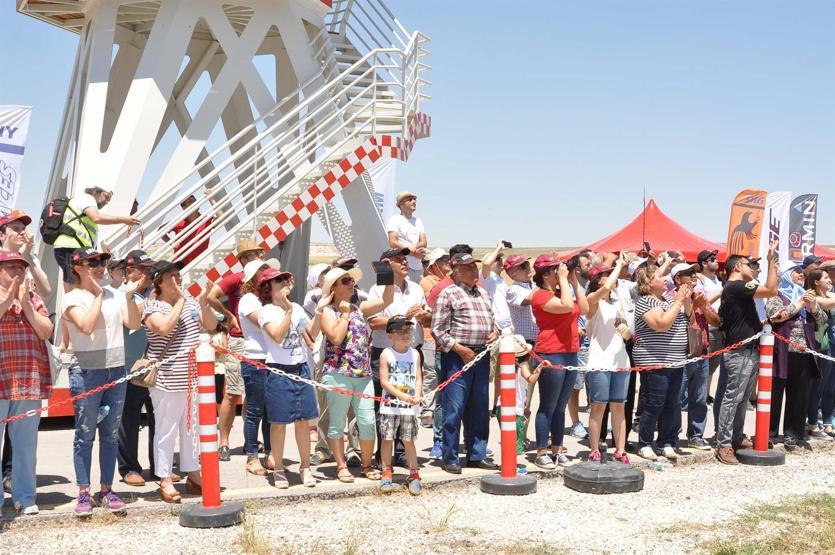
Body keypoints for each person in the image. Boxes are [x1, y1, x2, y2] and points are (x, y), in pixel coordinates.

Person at [62, 247, 141, 516]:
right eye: (92, 262)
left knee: (110, 435)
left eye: (102, 261)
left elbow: (134, 323)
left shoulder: (115, 295)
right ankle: (84, 492)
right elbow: (84, 326)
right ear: (77, 267)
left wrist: (128, 296)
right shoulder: (71, 297)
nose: (99, 266)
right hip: (85, 372)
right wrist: (98, 295)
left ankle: (107, 489)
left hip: (116, 370)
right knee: (85, 435)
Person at [143, 259, 217, 502]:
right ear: (159, 281)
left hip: (193, 377)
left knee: (191, 428)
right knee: (166, 429)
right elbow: (162, 328)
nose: (178, 279)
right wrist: (182, 301)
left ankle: (193, 473)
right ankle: (164, 477)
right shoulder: (151, 307)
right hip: (167, 378)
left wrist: (203, 304)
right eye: (172, 276)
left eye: (179, 274)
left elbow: (211, 325)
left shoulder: (192, 303)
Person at [317, 266, 393, 483]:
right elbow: (336, 338)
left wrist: (386, 276)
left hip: (363, 374)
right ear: (333, 288)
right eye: (346, 281)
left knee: (367, 421)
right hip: (337, 373)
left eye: (352, 281)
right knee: (337, 422)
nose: (352, 284)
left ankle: (367, 464)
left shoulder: (358, 307)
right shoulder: (327, 312)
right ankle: (341, 466)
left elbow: (386, 300)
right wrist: (345, 314)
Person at [432, 253, 498, 474]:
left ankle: (476, 454)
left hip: (481, 355)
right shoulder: (448, 294)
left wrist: (494, 332)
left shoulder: (483, 293)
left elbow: (492, 321)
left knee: (479, 407)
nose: (474, 271)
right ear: (457, 270)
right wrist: (460, 349)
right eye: (469, 268)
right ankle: (450, 456)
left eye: (474, 267)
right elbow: (438, 330)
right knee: (454, 407)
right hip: (457, 356)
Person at [714, 243, 779, 464]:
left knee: (742, 399)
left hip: (748, 349)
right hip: (739, 351)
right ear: (738, 266)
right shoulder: (736, 286)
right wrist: (772, 263)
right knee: (733, 399)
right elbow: (771, 289)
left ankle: (735, 437)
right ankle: (723, 444)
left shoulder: (737, 287)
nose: (753, 268)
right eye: (750, 265)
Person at [0, 251, 53, 515]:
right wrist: (9, 297)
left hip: (28, 383)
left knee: (26, 446)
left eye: (21, 268)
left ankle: (25, 497)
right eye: (11, 268)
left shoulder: (32, 297)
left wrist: (26, 304)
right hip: (1, 383)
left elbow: (46, 331)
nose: (17, 273)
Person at [257, 268, 318, 488]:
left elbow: (314, 331)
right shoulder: (266, 311)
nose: (284, 283)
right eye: (278, 280)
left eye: (285, 279)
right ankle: (279, 468)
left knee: (303, 421)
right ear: (268, 287)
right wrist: (289, 310)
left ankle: (305, 467)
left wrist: (321, 308)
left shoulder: (299, 308)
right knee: (279, 423)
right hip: (278, 370)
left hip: (300, 368)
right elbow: (278, 336)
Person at [206, 239, 266, 461]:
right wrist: (229, 315)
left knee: (254, 395)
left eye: (258, 254)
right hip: (239, 340)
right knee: (232, 393)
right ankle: (223, 442)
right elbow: (211, 296)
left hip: (261, 341)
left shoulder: (266, 279)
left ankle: (250, 441)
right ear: (242, 260)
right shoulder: (235, 279)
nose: (255, 258)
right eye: (250, 255)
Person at [529, 254, 587, 469]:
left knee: (561, 407)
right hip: (551, 353)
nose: (559, 272)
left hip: (570, 352)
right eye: (556, 270)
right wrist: (564, 280)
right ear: (546, 275)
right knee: (548, 405)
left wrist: (573, 281)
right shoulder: (540, 296)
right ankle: (542, 451)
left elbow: (584, 309)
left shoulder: (562, 291)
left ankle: (557, 448)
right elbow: (564, 307)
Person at [632, 264, 691, 462]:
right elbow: (661, 324)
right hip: (654, 360)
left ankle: (667, 441)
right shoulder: (645, 302)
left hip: (675, 360)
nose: (665, 278)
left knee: (673, 404)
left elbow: (686, 318)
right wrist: (679, 300)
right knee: (655, 402)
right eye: (659, 276)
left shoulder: (668, 299)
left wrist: (687, 299)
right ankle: (645, 443)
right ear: (648, 282)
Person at [766, 265, 827, 448]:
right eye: (797, 271)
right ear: (785, 274)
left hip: (803, 352)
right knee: (774, 394)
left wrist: (813, 305)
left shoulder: (806, 295)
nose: (801, 275)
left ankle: (794, 434)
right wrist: (800, 303)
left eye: (802, 272)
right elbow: (775, 316)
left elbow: (823, 320)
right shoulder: (775, 295)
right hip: (781, 351)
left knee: (799, 395)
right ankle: (770, 433)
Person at [117, 249, 160, 487]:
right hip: (129, 366)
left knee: (158, 418)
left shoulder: (152, 295)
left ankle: (159, 466)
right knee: (129, 419)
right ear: (129, 272)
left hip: (155, 364)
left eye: (149, 269)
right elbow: (129, 321)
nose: (148, 274)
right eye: (142, 269)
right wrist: (151, 300)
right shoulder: (118, 294)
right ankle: (129, 468)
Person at [583, 259, 631, 463]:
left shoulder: (617, 303)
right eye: (606, 273)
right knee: (598, 406)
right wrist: (619, 266)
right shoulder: (592, 301)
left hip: (620, 359)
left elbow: (627, 334)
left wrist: (626, 332)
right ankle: (594, 448)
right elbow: (607, 286)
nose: (610, 276)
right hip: (599, 361)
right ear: (596, 279)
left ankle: (620, 449)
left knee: (619, 406)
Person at [237, 258, 281, 475]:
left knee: (271, 411)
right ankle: (253, 456)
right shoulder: (248, 300)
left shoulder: (269, 300)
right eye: (262, 270)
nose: (267, 273)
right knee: (255, 410)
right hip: (255, 359)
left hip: (273, 359)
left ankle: (271, 453)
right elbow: (267, 324)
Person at [672, 263, 720, 451]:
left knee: (699, 398)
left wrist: (704, 307)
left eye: (694, 273)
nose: (694, 276)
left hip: (701, 353)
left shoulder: (700, 297)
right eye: (689, 273)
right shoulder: (671, 298)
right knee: (676, 399)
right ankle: (671, 436)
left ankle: (696, 435)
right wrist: (693, 305)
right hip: (681, 354)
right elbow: (684, 321)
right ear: (677, 279)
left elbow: (717, 322)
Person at [52, 187, 141, 287]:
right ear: (97, 191)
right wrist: (124, 219)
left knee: (79, 281)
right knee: (75, 282)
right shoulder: (87, 199)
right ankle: (71, 302)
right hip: (71, 246)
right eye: (107, 196)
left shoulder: (83, 202)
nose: (107, 201)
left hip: (74, 247)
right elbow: (96, 218)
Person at [377, 315, 424, 495]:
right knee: (387, 439)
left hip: (410, 406)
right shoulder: (386, 354)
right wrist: (401, 395)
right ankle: (386, 471)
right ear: (390, 335)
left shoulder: (415, 353)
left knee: (408, 440)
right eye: (400, 331)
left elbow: (419, 377)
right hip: (391, 405)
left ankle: (414, 474)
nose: (405, 335)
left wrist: (417, 394)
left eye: (408, 331)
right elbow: (384, 381)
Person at [503, 255, 539, 444]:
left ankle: (530, 435)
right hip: (523, 347)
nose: (528, 268)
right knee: (523, 396)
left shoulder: (534, 287)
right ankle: (518, 437)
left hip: (539, 344)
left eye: (527, 264)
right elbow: (530, 300)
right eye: (523, 266)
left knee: (537, 396)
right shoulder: (513, 290)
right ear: (512, 273)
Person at [0, 210, 52, 299]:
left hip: (24, 310)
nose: (23, 232)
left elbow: (46, 293)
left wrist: (27, 256)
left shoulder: (31, 258)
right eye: (16, 228)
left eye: (24, 229)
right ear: (1, 235)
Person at [568, 252, 592, 441]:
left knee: (594, 385)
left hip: (594, 342)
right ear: (577, 269)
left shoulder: (591, 286)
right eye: (587, 264)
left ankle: (595, 421)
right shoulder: (568, 288)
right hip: (578, 344)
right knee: (575, 387)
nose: (591, 267)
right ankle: (575, 423)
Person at [696, 249, 724, 406]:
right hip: (707, 329)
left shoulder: (716, 279)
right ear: (704, 263)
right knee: (704, 367)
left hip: (719, 328)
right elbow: (702, 304)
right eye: (712, 259)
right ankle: (700, 397)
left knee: (712, 366)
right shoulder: (700, 280)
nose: (716, 261)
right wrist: (720, 293)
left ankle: (706, 394)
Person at [810, 266, 835, 436]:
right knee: (818, 385)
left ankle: (827, 422)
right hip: (821, 345)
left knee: (831, 387)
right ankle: (812, 422)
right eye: (825, 277)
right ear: (816, 282)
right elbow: (827, 303)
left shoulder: (831, 295)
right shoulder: (813, 298)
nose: (829, 279)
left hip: (832, 343)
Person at [164, 194, 219, 266]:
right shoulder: (179, 222)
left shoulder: (206, 220)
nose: (194, 202)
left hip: (199, 264)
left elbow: (222, 217)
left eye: (194, 200)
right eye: (190, 201)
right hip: (179, 264)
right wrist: (172, 244)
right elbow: (161, 231)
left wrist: (211, 199)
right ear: (184, 207)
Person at [386, 191, 427, 282]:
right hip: (403, 267)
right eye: (410, 199)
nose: (414, 201)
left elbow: (424, 242)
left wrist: (413, 247)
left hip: (418, 267)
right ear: (401, 204)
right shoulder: (395, 219)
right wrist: (413, 253)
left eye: (414, 199)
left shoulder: (418, 221)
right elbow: (392, 242)